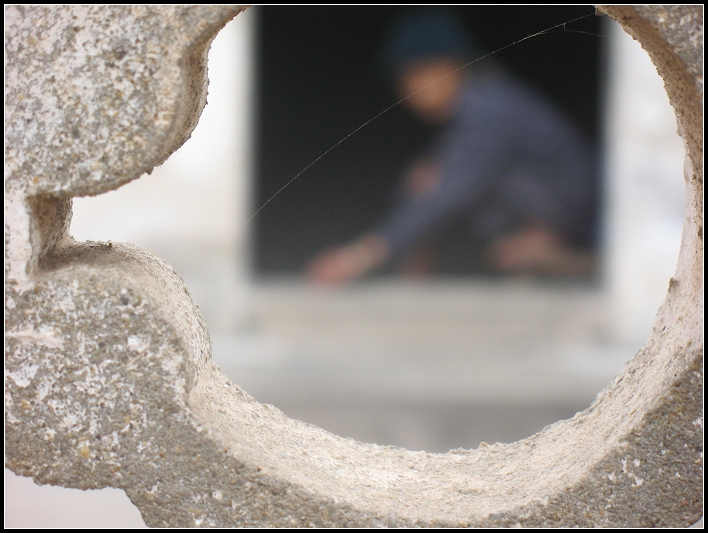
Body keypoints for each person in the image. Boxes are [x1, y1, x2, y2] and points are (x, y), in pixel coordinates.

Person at [307, 10, 598, 284]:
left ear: (453, 65)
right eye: (403, 79)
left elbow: (451, 190)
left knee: (447, 186)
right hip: (552, 202)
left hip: (575, 212)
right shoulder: (477, 103)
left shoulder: (487, 106)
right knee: (428, 176)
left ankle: (566, 251)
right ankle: (531, 250)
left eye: (418, 73)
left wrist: (358, 257)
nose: (408, 91)